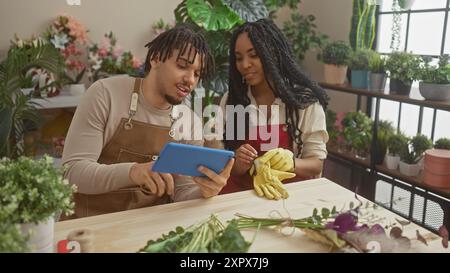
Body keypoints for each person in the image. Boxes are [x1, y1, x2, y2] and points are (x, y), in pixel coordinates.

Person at [62, 24, 234, 219]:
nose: (190, 80)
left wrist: (205, 191)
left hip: (148, 230)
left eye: (197, 73)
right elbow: (72, 172)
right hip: (87, 226)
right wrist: (133, 172)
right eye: (183, 66)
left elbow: (183, 192)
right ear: (155, 58)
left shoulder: (190, 123)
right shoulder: (105, 94)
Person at [219, 18, 329, 196]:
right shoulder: (233, 100)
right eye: (239, 58)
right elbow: (224, 166)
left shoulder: (304, 103)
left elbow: (316, 164)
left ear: (273, 54)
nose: (245, 65)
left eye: (253, 55)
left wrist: (291, 162)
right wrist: (238, 163)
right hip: (241, 196)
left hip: (289, 195)